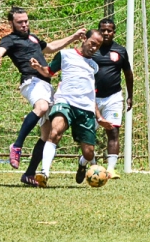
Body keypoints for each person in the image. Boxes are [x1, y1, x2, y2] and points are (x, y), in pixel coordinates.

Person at [0, 6, 85, 186]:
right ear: (12, 23)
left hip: (46, 85)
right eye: (20, 22)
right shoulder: (10, 39)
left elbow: (50, 47)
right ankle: (17, 145)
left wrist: (73, 37)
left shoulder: (33, 38)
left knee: (48, 134)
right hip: (31, 81)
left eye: (26, 21)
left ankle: (29, 174)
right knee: (41, 107)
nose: (24, 25)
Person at [30, 30, 113, 188]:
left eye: (98, 46)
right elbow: (49, 72)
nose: (94, 48)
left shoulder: (94, 67)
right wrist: (38, 67)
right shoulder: (65, 55)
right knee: (55, 133)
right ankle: (44, 173)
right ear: (84, 39)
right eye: (92, 43)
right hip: (65, 102)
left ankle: (82, 164)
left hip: (85, 109)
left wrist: (99, 117)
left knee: (88, 152)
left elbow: (92, 95)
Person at [92, 18, 134, 179]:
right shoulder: (91, 49)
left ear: (114, 32)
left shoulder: (120, 50)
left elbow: (128, 74)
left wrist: (130, 96)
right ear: (98, 31)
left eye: (109, 30)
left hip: (113, 97)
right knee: (88, 133)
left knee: (113, 131)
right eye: (102, 30)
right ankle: (92, 165)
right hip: (92, 99)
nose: (106, 33)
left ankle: (110, 169)